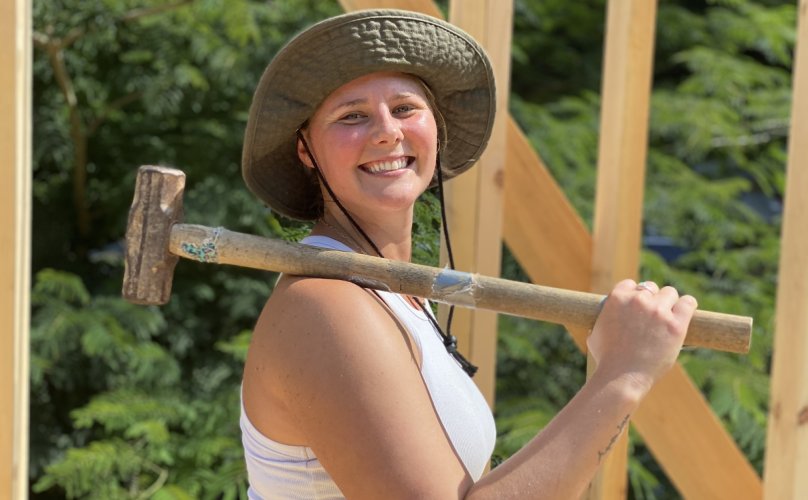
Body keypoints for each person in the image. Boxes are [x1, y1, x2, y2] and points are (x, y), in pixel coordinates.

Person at [240, 9, 697, 499]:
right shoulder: (327, 306)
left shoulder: (392, 294)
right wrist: (623, 375)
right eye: (352, 116)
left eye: (405, 108)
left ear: (435, 127)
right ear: (306, 150)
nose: (387, 132)